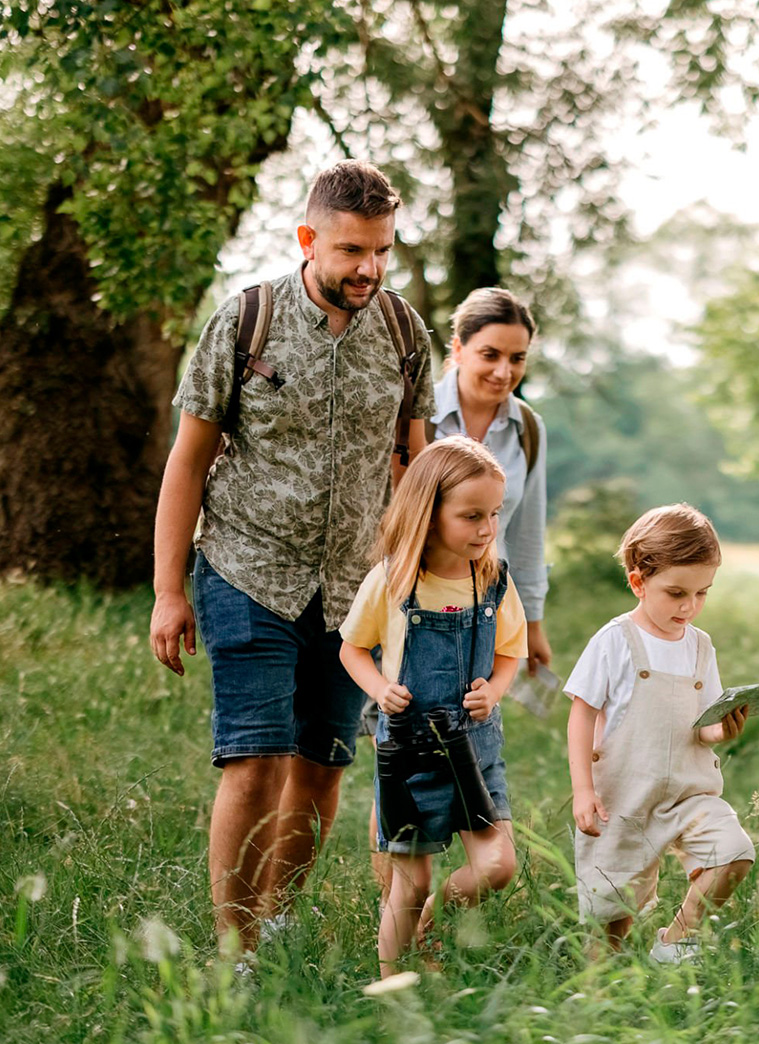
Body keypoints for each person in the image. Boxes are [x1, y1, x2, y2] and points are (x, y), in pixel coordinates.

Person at [148, 160, 435, 956]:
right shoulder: (247, 320)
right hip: (247, 569)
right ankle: (234, 950)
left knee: (321, 766)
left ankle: (276, 926)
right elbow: (187, 462)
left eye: (382, 250)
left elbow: (414, 467)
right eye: (351, 250)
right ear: (308, 238)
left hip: (355, 590)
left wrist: (418, 583)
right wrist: (169, 591)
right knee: (255, 763)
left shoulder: (405, 334)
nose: (369, 268)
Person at [339, 437, 527, 977]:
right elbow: (352, 649)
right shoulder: (393, 580)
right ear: (429, 511)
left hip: (474, 751)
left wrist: (495, 690)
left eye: (494, 514)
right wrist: (379, 688)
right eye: (472, 516)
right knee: (411, 881)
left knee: (496, 865)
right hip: (410, 754)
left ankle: (433, 925)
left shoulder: (494, 579)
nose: (487, 528)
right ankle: (391, 988)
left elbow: (510, 653)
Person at [565, 503, 755, 963]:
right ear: (638, 582)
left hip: (689, 791)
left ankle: (676, 941)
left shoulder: (700, 646)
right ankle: (599, 987)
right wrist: (583, 790)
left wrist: (722, 730)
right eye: (676, 593)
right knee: (611, 918)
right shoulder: (615, 640)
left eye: (702, 593)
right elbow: (581, 715)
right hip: (623, 796)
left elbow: (703, 724)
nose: (690, 606)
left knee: (733, 852)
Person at [431, 287, 551, 674]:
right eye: (490, 354)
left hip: (488, 608)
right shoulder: (417, 415)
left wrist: (532, 623)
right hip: (415, 603)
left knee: (480, 712)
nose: (504, 372)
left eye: (517, 358)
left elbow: (527, 533)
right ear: (458, 348)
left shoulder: (528, 428)